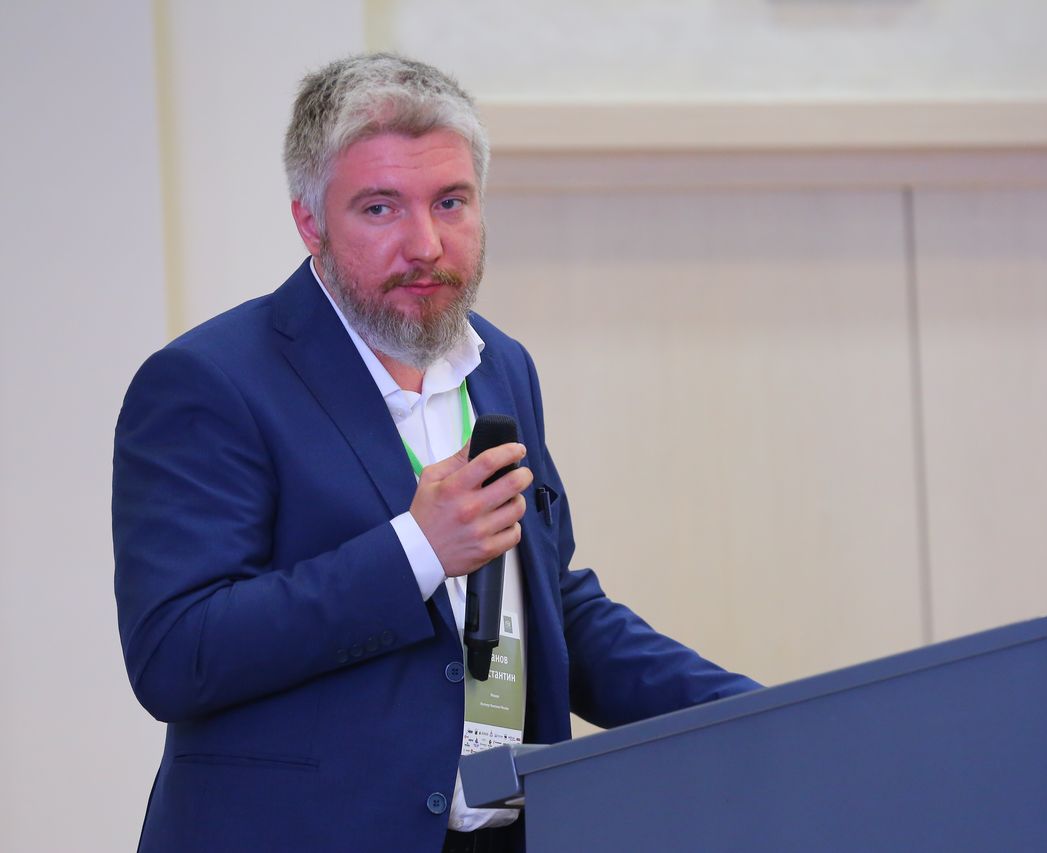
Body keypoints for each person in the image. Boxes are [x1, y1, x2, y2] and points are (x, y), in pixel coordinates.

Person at [112, 53, 758, 853]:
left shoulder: (501, 365)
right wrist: (416, 549)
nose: (425, 244)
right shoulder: (209, 382)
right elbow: (177, 653)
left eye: (451, 202)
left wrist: (753, 715)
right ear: (310, 223)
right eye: (380, 208)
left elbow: (547, 604)